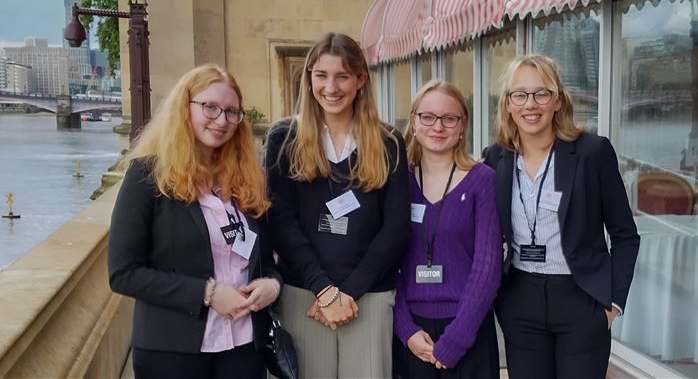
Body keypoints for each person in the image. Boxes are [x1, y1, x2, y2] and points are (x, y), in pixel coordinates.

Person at [108, 64, 282, 379]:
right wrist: (207, 293)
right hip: (173, 352)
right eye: (210, 107)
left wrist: (272, 285)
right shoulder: (147, 176)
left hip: (244, 347)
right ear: (184, 108)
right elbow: (123, 273)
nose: (222, 120)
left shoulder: (245, 180)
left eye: (232, 111)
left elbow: (264, 258)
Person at [483, 54, 640, 379]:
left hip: (581, 299)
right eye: (520, 95)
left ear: (557, 100)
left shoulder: (591, 152)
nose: (531, 104)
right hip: (519, 300)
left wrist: (612, 303)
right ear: (508, 104)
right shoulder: (496, 157)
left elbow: (625, 235)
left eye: (542, 93)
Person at [264, 32, 410, 379]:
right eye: (322, 75)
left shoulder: (388, 141)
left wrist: (350, 291)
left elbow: (396, 227)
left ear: (360, 80)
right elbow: (281, 222)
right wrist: (325, 290)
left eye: (342, 75)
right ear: (309, 78)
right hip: (305, 294)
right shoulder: (284, 138)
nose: (331, 87)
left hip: (369, 296)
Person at [393, 80, 501, 379]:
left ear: (462, 125)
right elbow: (387, 262)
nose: (438, 126)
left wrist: (457, 338)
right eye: (428, 117)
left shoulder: (482, 179)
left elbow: (487, 266)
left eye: (449, 118)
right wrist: (405, 330)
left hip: (469, 329)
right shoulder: (397, 181)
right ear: (414, 122)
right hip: (412, 334)